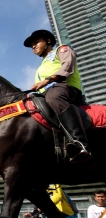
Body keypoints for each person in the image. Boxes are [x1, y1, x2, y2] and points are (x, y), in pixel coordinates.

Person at [24, 29, 91, 163]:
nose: (33, 46)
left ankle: (80, 143)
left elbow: (68, 66)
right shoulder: (42, 64)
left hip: (66, 88)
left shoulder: (62, 49)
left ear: (48, 41)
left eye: (36, 42)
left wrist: (47, 80)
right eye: (32, 45)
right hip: (48, 93)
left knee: (54, 97)